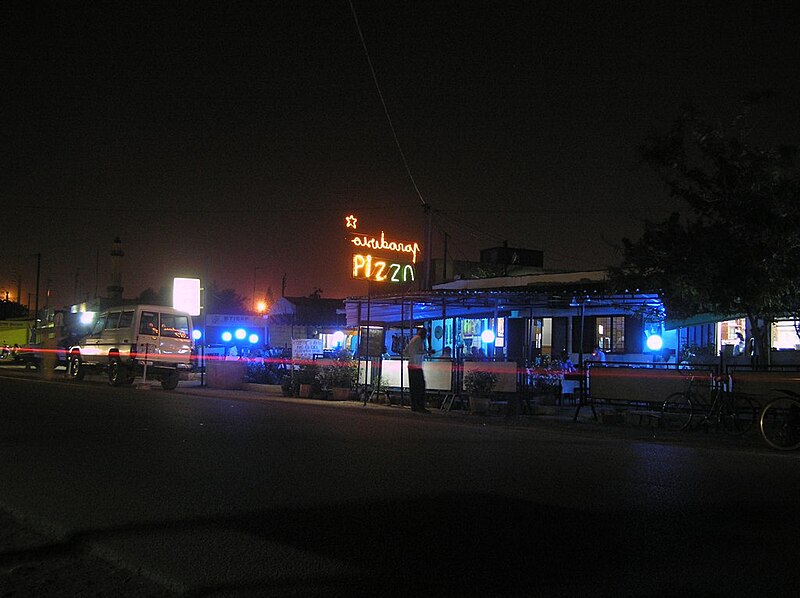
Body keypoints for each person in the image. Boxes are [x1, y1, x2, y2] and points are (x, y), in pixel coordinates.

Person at [404, 327, 429, 412]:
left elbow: (406, 351)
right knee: (420, 387)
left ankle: (414, 406)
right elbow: (419, 351)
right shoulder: (419, 340)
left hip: (411, 365)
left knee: (413, 388)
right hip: (416, 366)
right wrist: (427, 352)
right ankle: (420, 406)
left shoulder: (412, 340)